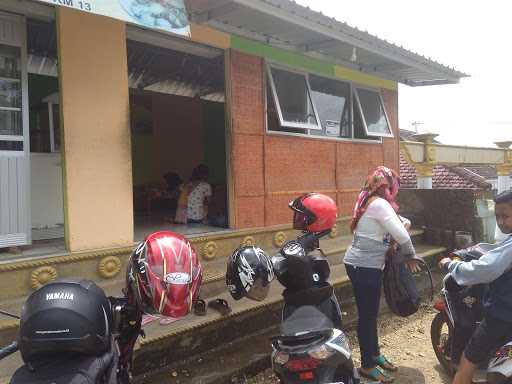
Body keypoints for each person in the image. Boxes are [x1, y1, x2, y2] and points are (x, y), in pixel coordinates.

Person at [344, 166, 420, 383]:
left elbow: (398, 221)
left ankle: (374, 354)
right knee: (367, 315)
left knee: (371, 314)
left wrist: (402, 223)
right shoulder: (378, 204)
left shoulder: (369, 200)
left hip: (364, 265)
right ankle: (367, 364)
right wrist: (411, 255)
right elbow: (401, 234)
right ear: (389, 186)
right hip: (363, 267)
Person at [439, 189, 512, 384]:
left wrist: (451, 265)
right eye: (497, 216)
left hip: (502, 316)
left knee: (467, 359)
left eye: (505, 216)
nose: (501, 221)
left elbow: (486, 268)